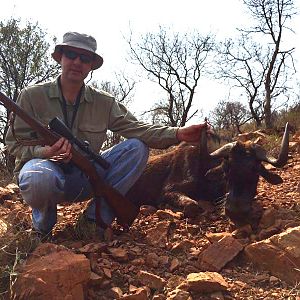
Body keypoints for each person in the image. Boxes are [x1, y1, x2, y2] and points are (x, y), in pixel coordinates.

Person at [5, 32, 207, 238]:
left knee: (137, 148)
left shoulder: (105, 102)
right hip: (47, 174)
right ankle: (43, 228)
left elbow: (139, 129)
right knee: (37, 177)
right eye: (71, 54)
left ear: (92, 65)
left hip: (85, 177)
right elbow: (13, 143)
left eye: (84, 58)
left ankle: (93, 221)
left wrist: (179, 133)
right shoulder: (31, 96)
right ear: (60, 57)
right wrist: (44, 152)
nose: (77, 62)